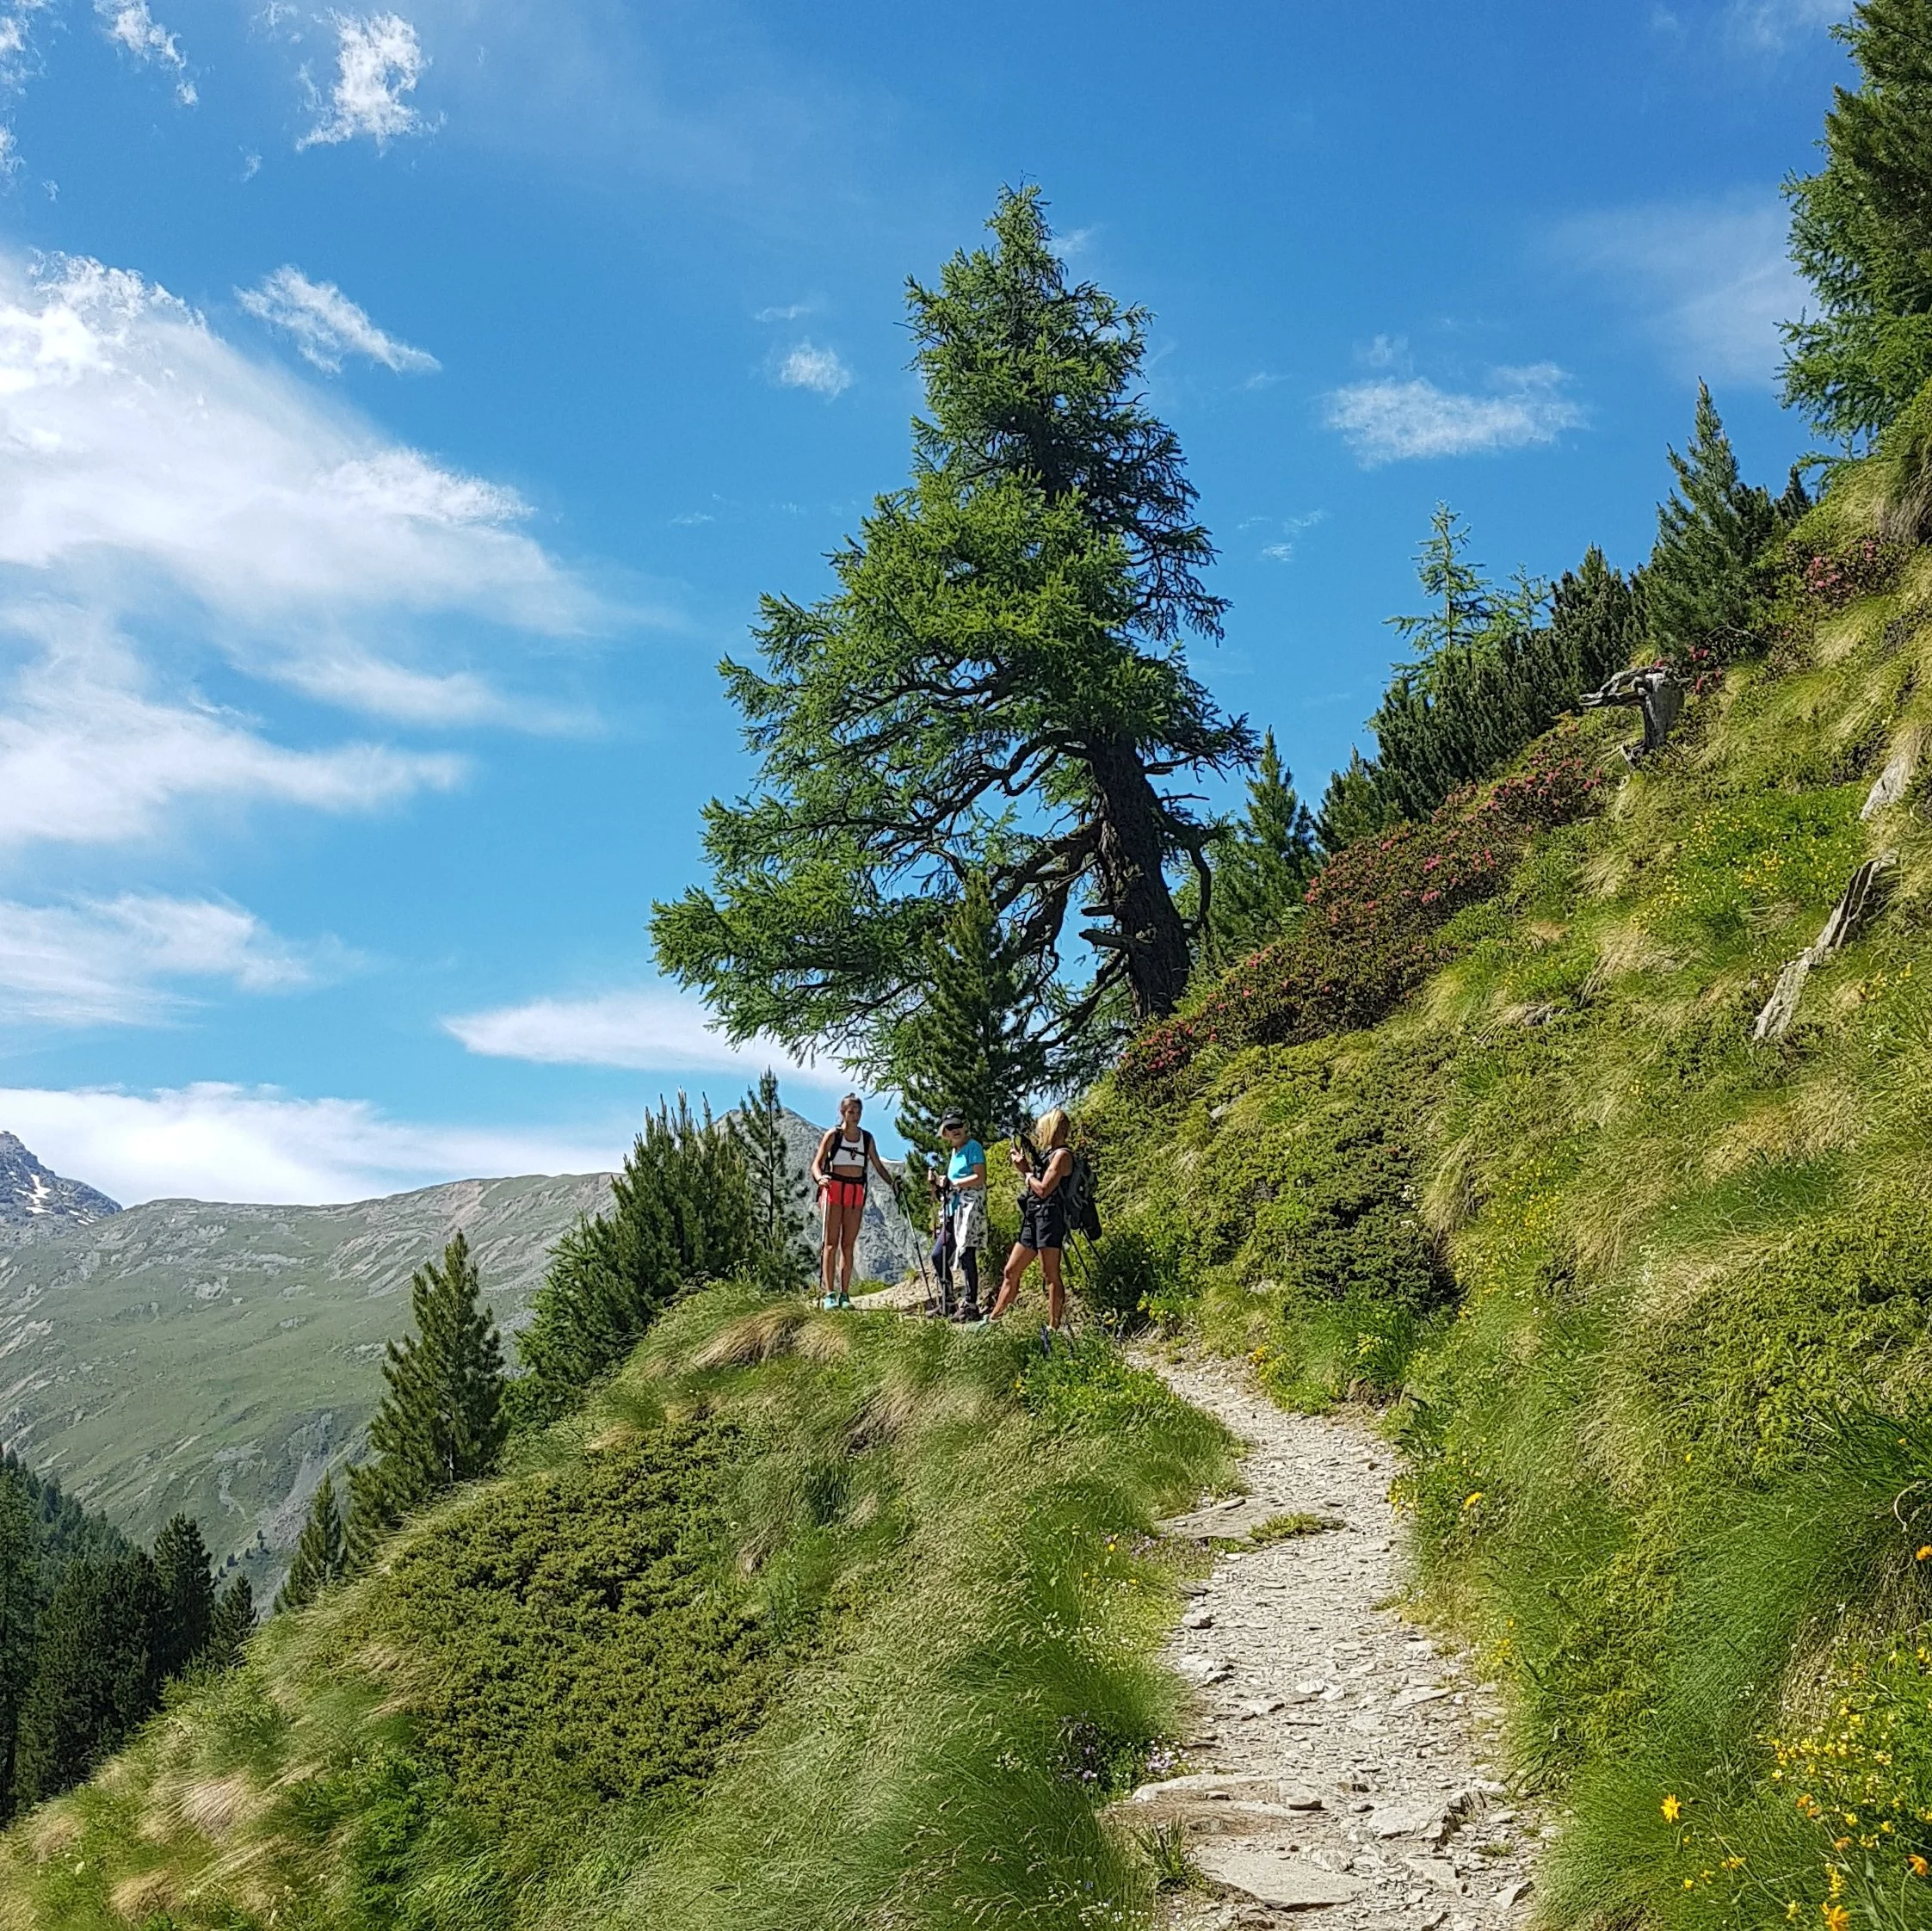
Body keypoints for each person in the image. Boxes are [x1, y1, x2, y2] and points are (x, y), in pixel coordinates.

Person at [985, 1107, 1072, 1335]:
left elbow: (1043, 1189)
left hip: (1050, 1218)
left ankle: (1053, 1327)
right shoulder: (1047, 1155)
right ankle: (994, 1322)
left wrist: (1025, 1172)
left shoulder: (1062, 1155)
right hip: (1033, 1217)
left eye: (1042, 1129)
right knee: (1011, 1271)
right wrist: (1027, 1167)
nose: (1039, 1133)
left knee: (1050, 1274)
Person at [810, 1094, 897, 1310]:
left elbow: (877, 1165)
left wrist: (892, 1183)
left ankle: (845, 1294)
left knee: (848, 1245)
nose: (855, 1117)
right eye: (851, 1112)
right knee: (830, 1243)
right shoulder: (833, 1135)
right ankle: (830, 1293)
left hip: (856, 1190)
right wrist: (820, 1178)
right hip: (833, 1189)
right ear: (843, 1113)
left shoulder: (866, 1139)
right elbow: (816, 1164)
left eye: (858, 1113)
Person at [937, 1114, 988, 1321]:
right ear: (945, 1132)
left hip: (969, 1207)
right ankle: (948, 1301)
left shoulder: (973, 1147)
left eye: (958, 1125)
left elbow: (980, 1176)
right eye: (950, 1127)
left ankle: (970, 1304)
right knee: (938, 1254)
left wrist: (954, 1184)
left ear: (965, 1126)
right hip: (953, 1208)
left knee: (967, 1253)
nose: (955, 1130)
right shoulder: (955, 1152)